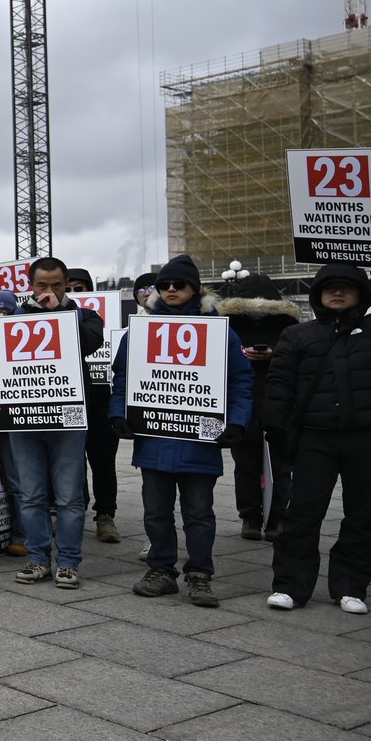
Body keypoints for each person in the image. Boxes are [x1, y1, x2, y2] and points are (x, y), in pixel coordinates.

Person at [111, 256, 253, 608]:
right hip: (155, 439)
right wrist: (118, 413)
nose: (171, 289)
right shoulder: (139, 332)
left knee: (199, 514)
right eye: (165, 285)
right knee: (155, 512)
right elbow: (122, 377)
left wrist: (236, 421)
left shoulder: (220, 330)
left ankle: (200, 575)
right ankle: (161, 570)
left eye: (179, 284)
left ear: (195, 289)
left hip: (199, 441)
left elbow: (241, 380)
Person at [263, 263, 371, 614]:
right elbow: (280, 384)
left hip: (368, 437)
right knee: (302, 512)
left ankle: (350, 586)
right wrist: (274, 429)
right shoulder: (298, 335)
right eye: (331, 287)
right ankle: (290, 585)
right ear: (318, 295)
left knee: (364, 514)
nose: (338, 293)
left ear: (361, 294)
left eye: (347, 287)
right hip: (316, 437)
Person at [5, 257, 104, 589]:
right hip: (24, 420)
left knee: (68, 497)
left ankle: (68, 562)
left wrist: (59, 314)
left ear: (65, 285)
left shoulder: (84, 316)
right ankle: (37, 559)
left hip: (68, 418)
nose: (49, 292)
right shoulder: (15, 320)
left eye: (57, 285)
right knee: (31, 495)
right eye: (42, 286)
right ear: (31, 286)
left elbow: (91, 341)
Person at [217, 274, 299, 539]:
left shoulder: (287, 325)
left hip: (276, 401)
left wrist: (273, 353)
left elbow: (299, 356)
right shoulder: (228, 325)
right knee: (247, 464)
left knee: (278, 465)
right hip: (244, 402)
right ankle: (252, 518)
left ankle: (274, 517)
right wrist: (242, 354)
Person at [66, 268, 121, 544]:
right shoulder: (61, 315)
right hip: (71, 398)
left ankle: (105, 514)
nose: (75, 294)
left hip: (102, 399)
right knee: (71, 463)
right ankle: (74, 510)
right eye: (70, 289)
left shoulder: (94, 316)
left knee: (103, 461)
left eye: (80, 288)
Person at [0, 290, 27, 557]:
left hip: (14, 423)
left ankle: (22, 534)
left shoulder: (23, 344)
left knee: (17, 481)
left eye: (4, 312)